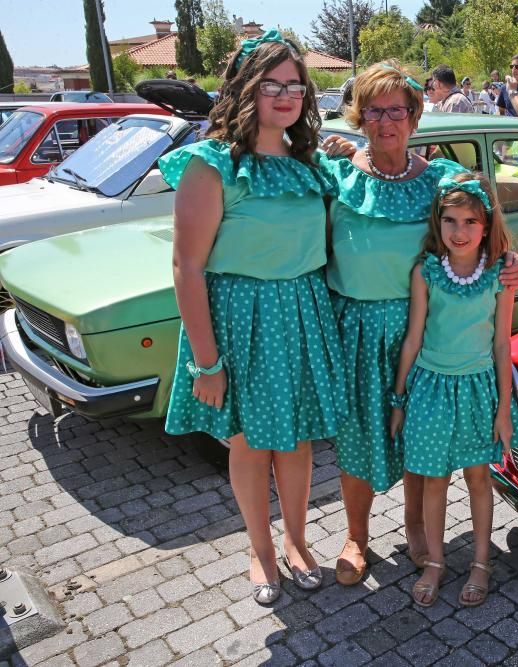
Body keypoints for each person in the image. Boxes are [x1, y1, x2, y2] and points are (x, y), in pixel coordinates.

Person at [317, 60, 518, 587]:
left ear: (414, 116)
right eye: (373, 111)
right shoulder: (337, 174)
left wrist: (510, 259)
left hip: (423, 329)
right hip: (358, 328)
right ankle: (356, 536)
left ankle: (415, 527)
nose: (386, 121)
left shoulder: (438, 179)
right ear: (358, 117)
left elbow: (482, 216)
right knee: (358, 435)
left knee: (418, 433)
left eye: (397, 111)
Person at [159, 30, 344, 605]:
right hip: (242, 322)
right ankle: (260, 551)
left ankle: (296, 541)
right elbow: (187, 269)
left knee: (297, 445)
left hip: (302, 312)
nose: (286, 96)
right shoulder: (211, 164)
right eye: (272, 85)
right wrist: (207, 362)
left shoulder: (311, 164)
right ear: (245, 90)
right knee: (250, 445)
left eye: (294, 85)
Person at [390, 171, 518, 607]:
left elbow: (502, 344)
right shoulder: (426, 271)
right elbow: (413, 337)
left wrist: (504, 408)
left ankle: (481, 562)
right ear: (438, 223)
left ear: (486, 225)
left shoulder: (499, 274)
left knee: (478, 478)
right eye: (450, 221)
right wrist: (398, 398)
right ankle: (435, 560)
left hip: (476, 390)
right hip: (430, 387)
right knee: (433, 479)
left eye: (470, 222)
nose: (459, 231)